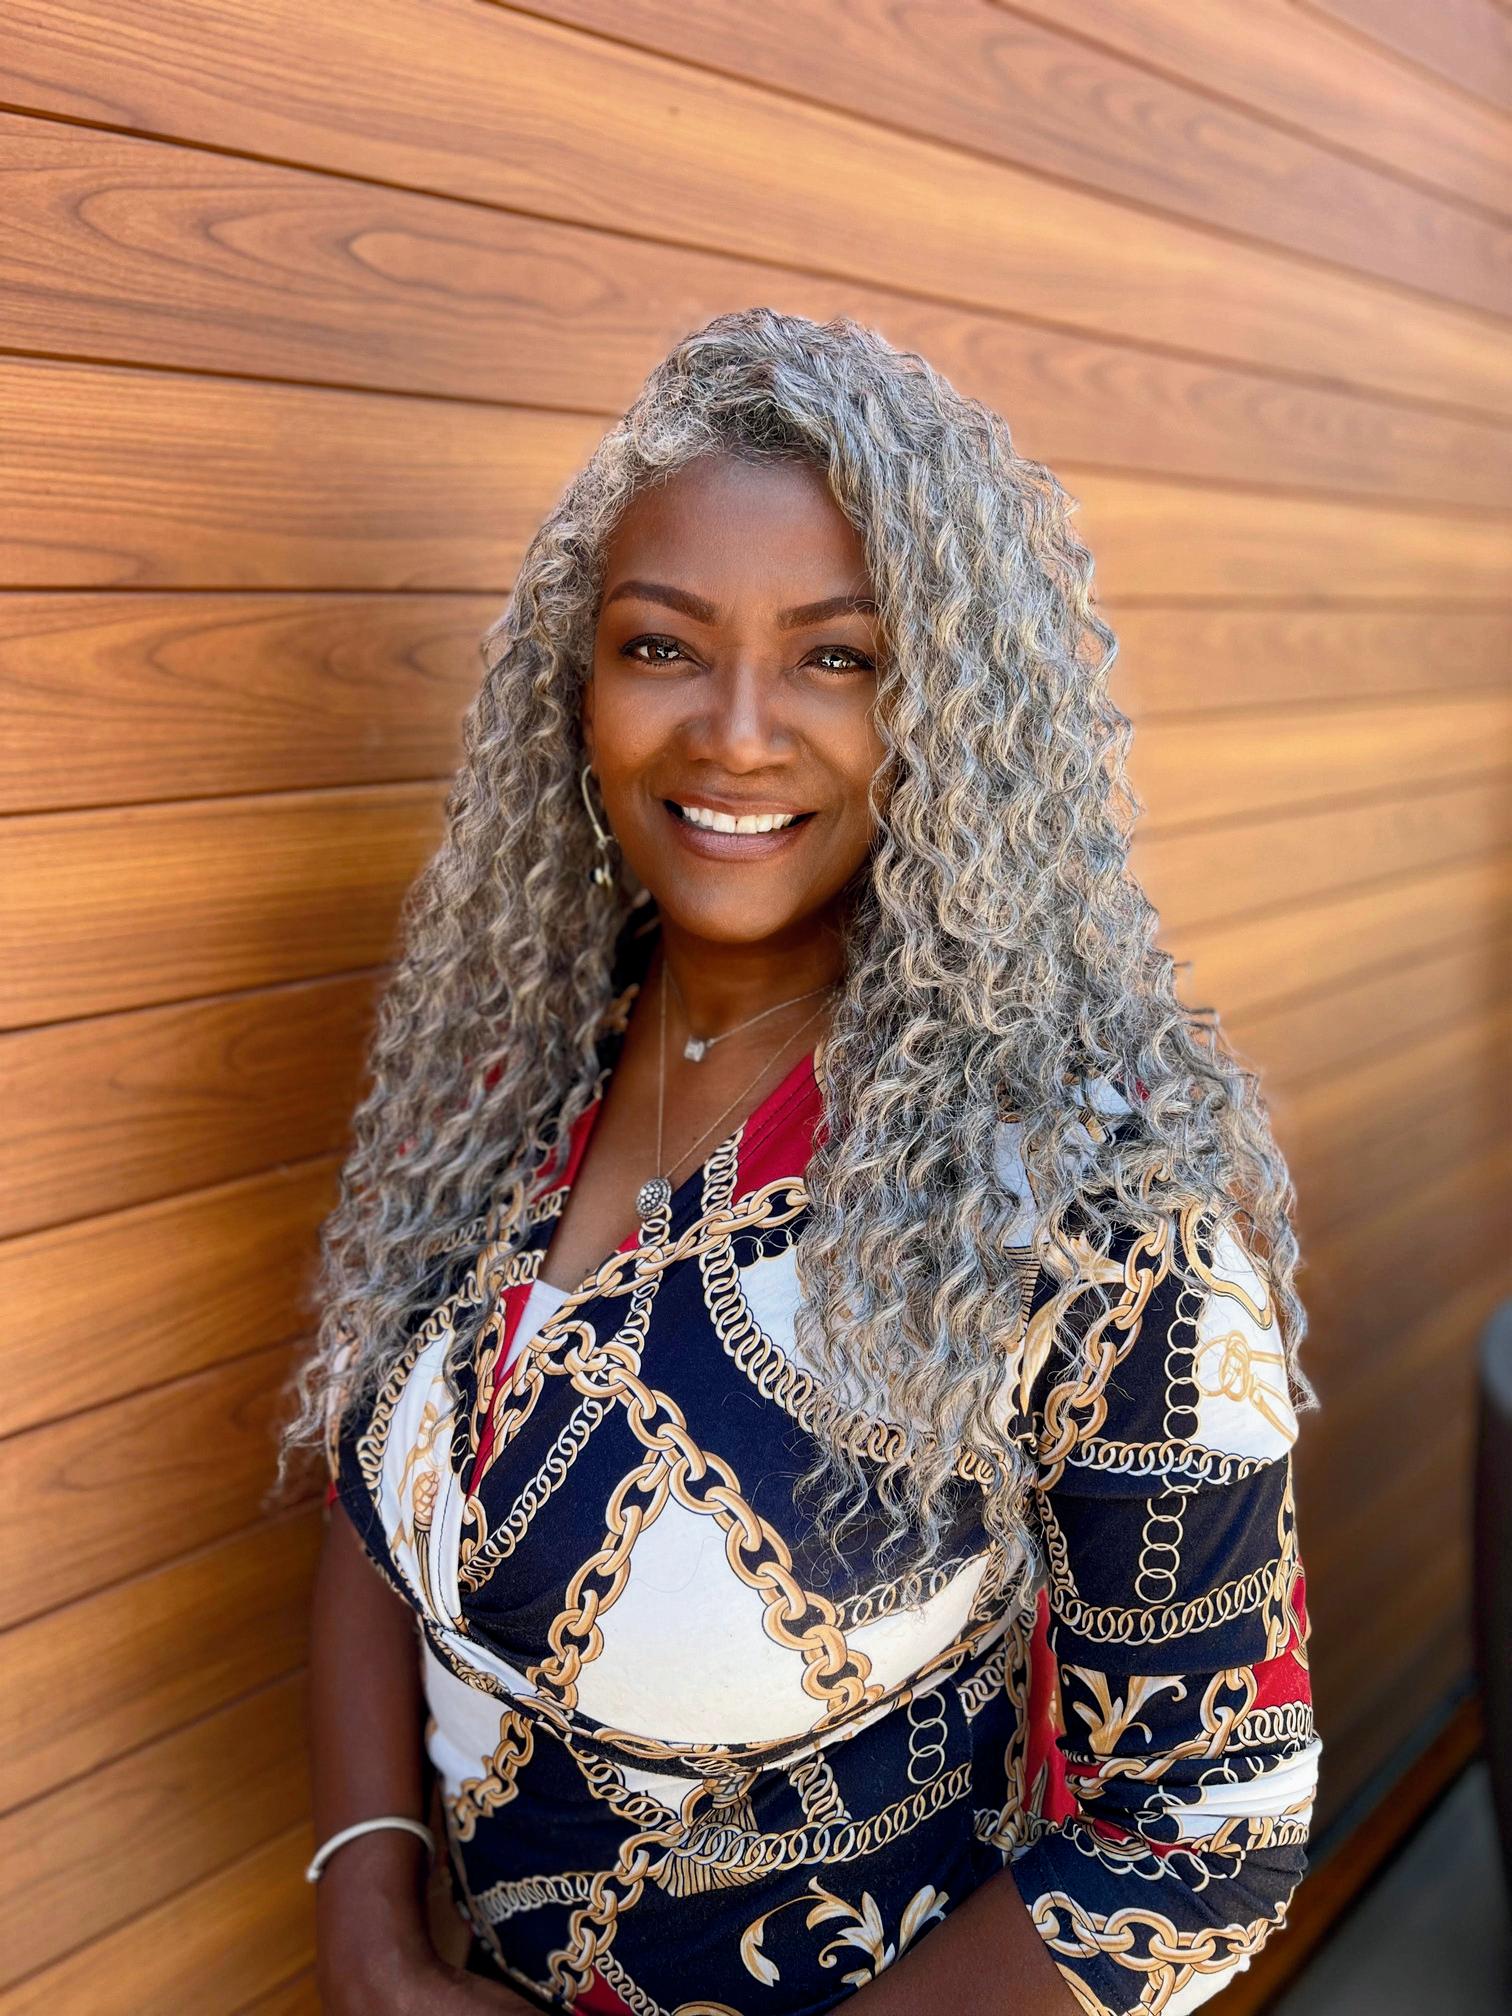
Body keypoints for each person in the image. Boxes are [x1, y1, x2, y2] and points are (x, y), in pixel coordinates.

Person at [282, 308, 1321, 2016]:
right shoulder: (521, 1061)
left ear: (952, 712)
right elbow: (381, 1495)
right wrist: (374, 1936)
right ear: (578, 684)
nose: (738, 732)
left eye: (836, 659)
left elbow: (1201, 1837)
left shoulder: (1086, 1195)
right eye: (662, 646)